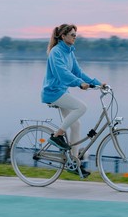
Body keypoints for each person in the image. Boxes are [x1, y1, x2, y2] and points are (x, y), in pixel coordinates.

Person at [41, 23, 105, 177]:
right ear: (63, 36)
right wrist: (79, 83)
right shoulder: (56, 52)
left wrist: (98, 83)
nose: (75, 37)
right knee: (81, 108)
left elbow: (78, 71)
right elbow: (63, 74)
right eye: (72, 35)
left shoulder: (69, 52)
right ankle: (57, 136)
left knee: (76, 124)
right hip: (52, 92)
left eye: (76, 35)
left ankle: (73, 163)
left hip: (62, 91)